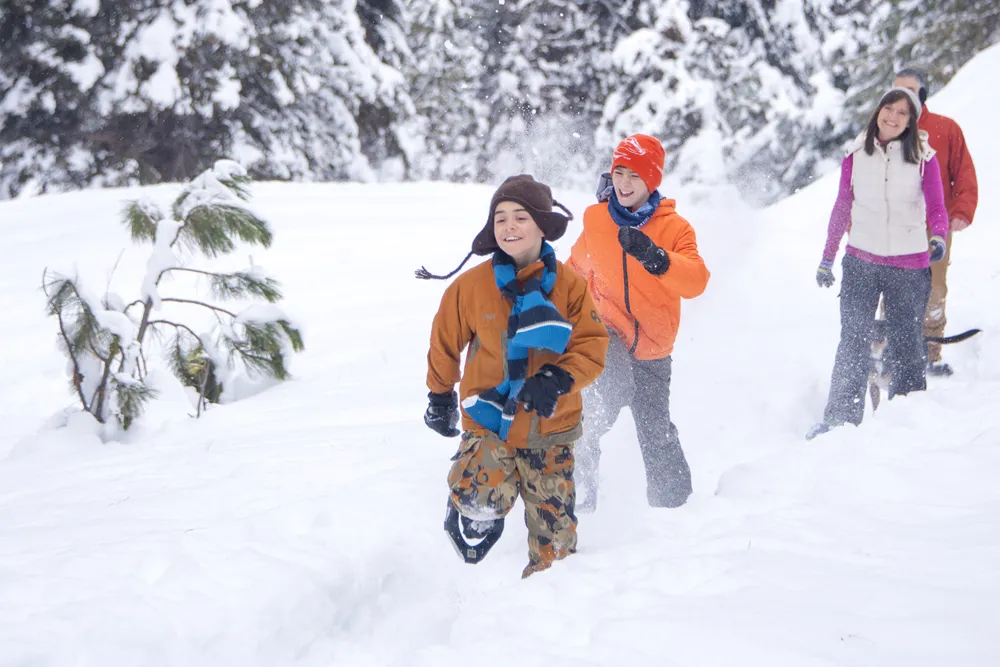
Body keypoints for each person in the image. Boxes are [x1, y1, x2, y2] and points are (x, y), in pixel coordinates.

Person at [418, 175, 609, 578]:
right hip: (489, 420)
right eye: (500, 218)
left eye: (520, 217)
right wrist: (439, 396)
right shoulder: (470, 287)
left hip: (551, 425)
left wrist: (558, 378)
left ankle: (543, 612)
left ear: (542, 224)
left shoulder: (571, 287)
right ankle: (478, 497)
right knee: (476, 499)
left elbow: (592, 346)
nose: (508, 226)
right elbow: (444, 343)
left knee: (556, 556)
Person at [566, 134, 710, 512]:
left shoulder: (674, 228)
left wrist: (658, 259)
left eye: (635, 176)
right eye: (619, 173)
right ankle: (580, 498)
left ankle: (675, 508)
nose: (625, 184)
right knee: (596, 408)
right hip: (607, 331)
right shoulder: (597, 220)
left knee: (655, 428)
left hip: (653, 345)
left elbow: (697, 280)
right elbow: (575, 270)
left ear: (652, 180)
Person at [809, 87, 949, 440]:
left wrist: (939, 237)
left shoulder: (923, 157)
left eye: (903, 113)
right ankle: (840, 420)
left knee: (906, 343)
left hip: (909, 265)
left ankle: (907, 422)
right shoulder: (856, 153)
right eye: (889, 109)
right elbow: (843, 206)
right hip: (861, 262)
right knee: (853, 340)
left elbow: (936, 206)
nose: (894, 117)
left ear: (910, 120)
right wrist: (828, 257)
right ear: (878, 112)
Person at [893, 68, 979, 376]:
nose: (900, 98)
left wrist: (961, 212)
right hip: (892, 224)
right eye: (895, 91)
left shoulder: (945, 129)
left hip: (935, 225)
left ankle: (929, 353)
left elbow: (964, 173)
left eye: (908, 91)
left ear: (922, 96)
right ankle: (887, 348)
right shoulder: (886, 128)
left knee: (935, 288)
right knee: (892, 285)